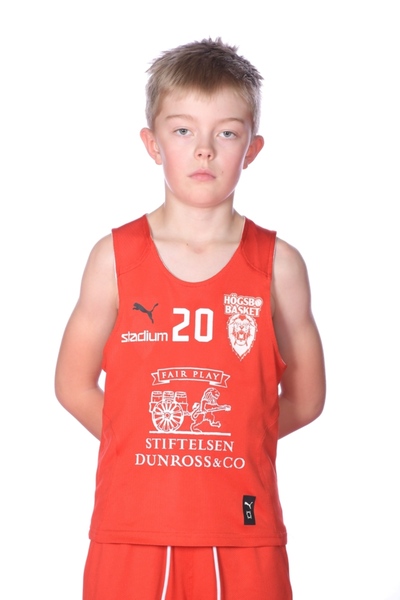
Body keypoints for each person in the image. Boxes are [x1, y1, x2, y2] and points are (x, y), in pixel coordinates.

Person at [55, 38, 326, 600]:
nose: (204, 150)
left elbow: (306, 398)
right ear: (152, 144)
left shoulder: (278, 265)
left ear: (252, 148)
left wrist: (223, 441)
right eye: (183, 131)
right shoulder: (113, 259)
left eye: (226, 133)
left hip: (243, 531)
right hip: (131, 530)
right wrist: (155, 442)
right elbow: (72, 385)